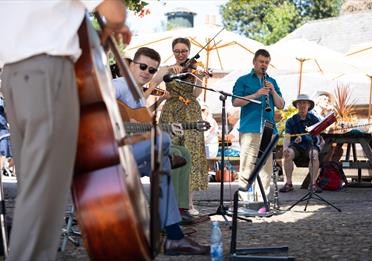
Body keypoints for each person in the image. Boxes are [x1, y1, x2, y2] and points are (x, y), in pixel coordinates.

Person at [0, 1, 132, 259]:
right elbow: (113, 10)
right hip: (47, 72)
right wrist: (118, 23)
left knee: (32, 187)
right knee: (43, 194)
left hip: (12, 75)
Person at [112, 47, 209, 255]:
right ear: (131, 66)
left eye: (151, 70)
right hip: (110, 156)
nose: (146, 72)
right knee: (163, 140)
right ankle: (164, 153)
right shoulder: (119, 85)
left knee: (162, 163)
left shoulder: (138, 98)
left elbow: (136, 127)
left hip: (129, 157)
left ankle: (174, 237)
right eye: (143, 66)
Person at [151, 37, 209, 216]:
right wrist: (169, 70)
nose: (180, 54)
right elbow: (153, 83)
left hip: (190, 111)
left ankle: (188, 204)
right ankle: (168, 201)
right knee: (171, 154)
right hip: (171, 112)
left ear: (189, 51)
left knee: (191, 154)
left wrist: (199, 78)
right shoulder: (167, 68)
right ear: (173, 52)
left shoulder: (193, 69)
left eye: (184, 51)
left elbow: (196, 94)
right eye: (177, 51)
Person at [232, 49, 285, 209]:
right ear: (254, 62)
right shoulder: (243, 80)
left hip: (268, 129)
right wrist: (255, 94)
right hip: (250, 128)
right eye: (261, 61)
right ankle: (246, 200)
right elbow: (235, 102)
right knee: (247, 165)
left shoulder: (272, 81)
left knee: (266, 167)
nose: (264, 65)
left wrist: (272, 91)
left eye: (266, 62)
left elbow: (281, 105)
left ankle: (262, 201)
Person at [279, 94, 322, 193]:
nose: (302, 105)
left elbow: (318, 136)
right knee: (287, 154)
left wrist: (306, 138)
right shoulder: (291, 121)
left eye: (304, 103)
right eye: (300, 103)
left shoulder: (314, 119)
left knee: (314, 155)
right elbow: (287, 137)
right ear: (297, 106)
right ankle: (288, 183)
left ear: (308, 106)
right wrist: (285, 148)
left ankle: (313, 184)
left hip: (310, 146)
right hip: (296, 147)